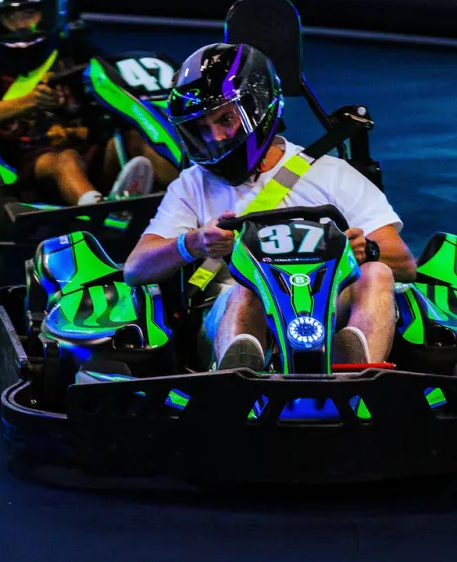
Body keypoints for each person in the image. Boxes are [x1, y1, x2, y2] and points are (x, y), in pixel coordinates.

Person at [123, 42, 417, 370]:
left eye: (225, 120)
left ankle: (355, 372)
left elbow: (404, 262)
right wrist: (191, 243)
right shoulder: (193, 184)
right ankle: (239, 380)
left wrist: (365, 251)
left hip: (327, 310)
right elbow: (135, 269)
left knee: (376, 273)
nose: (216, 138)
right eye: (202, 129)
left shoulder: (332, 174)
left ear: (258, 109)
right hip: (236, 311)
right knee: (250, 288)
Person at [0, 0, 174, 204]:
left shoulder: (76, 49)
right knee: (65, 160)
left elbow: (112, 82)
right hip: (29, 161)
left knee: (138, 139)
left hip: (90, 151)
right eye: (10, 16)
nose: (20, 24)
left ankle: (192, 199)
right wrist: (31, 102)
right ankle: (98, 211)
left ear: (49, 9)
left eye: (29, 13)